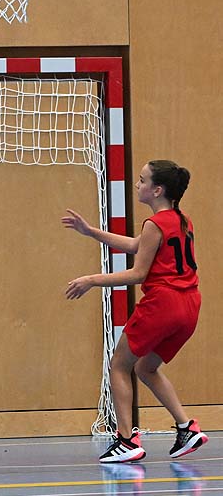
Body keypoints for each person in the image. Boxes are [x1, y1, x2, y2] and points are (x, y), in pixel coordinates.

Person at [62, 160, 208, 463]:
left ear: (157, 190)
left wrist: (92, 280)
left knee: (119, 364)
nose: (137, 184)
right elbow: (133, 245)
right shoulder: (182, 220)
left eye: (142, 180)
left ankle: (126, 440)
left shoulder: (154, 224)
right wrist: (90, 231)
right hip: (189, 305)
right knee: (145, 368)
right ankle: (187, 428)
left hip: (163, 304)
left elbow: (138, 274)